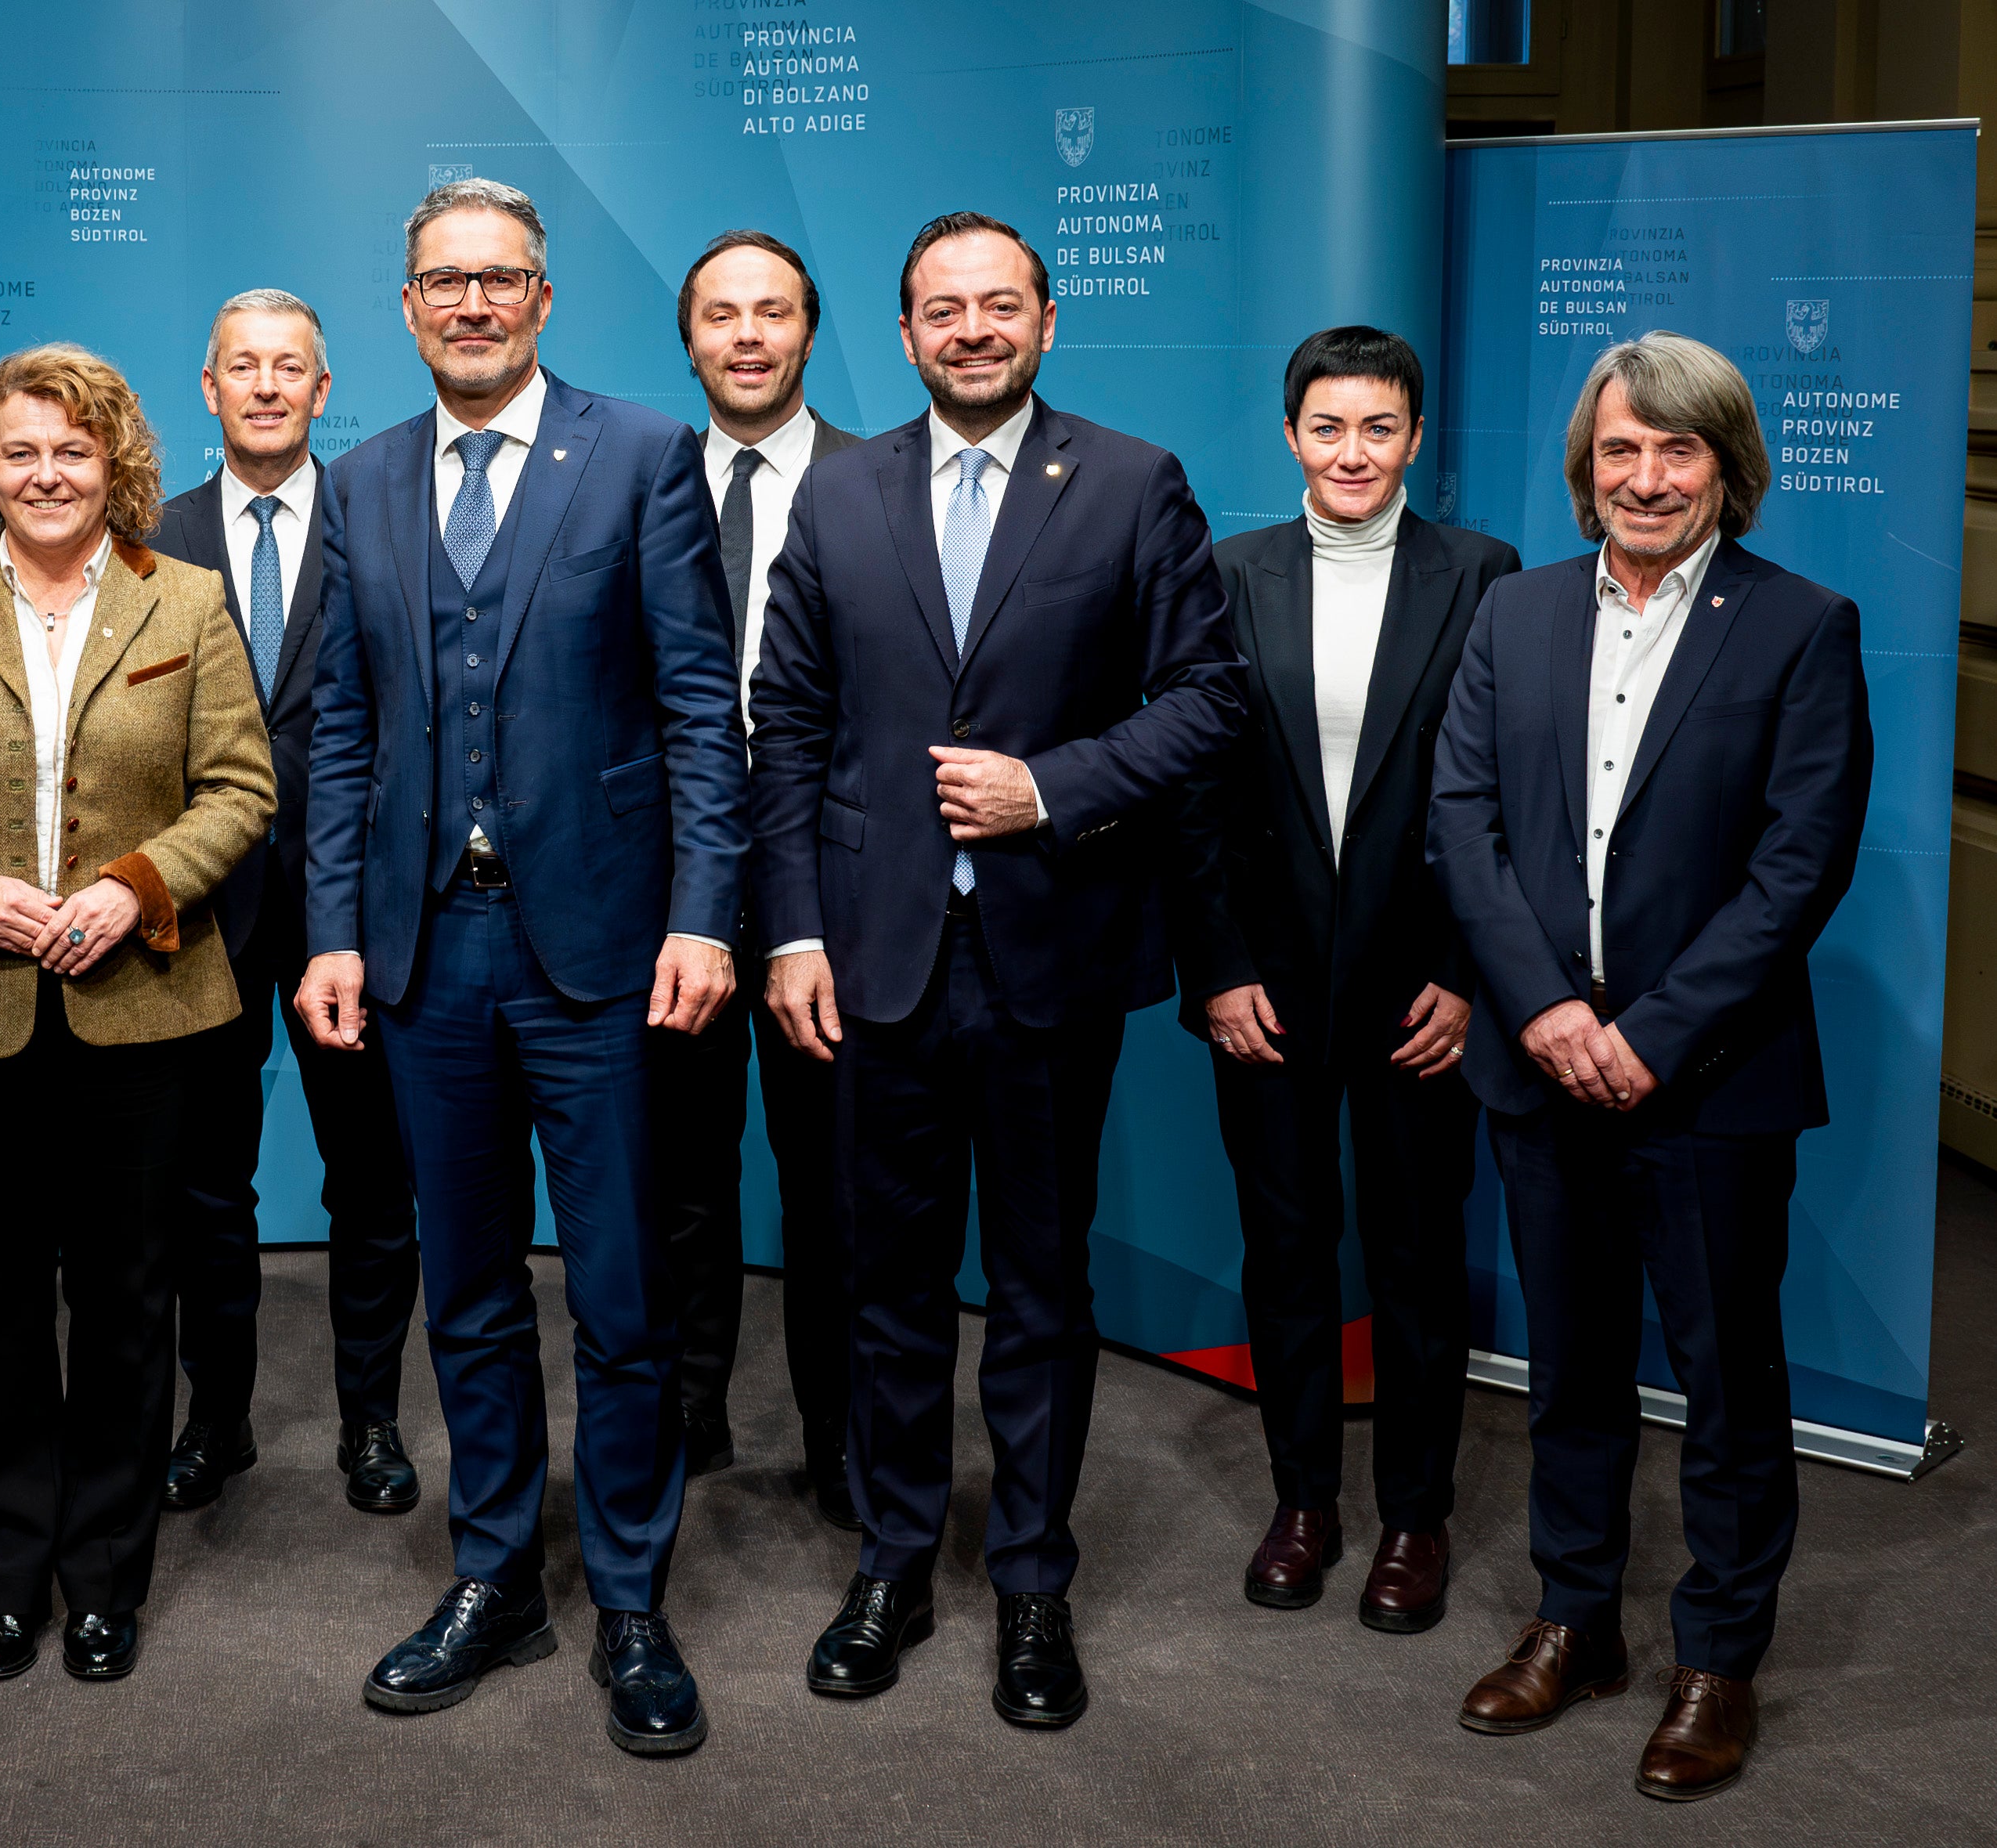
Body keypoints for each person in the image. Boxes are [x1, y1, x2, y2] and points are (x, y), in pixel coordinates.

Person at [746, 211, 1239, 1728]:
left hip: (1047, 956)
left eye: (999, 305)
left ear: (1045, 322)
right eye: (942, 309)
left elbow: (1210, 697)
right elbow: (787, 722)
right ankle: (894, 1562)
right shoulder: (840, 492)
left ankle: (1031, 1578)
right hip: (874, 959)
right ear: (902, 335)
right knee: (887, 1285)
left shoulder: (1132, 483)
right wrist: (794, 930)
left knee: (1038, 1288)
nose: (972, 329)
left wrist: (1053, 785)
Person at [296, 177, 746, 1757]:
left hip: (603, 951)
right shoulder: (360, 481)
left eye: (500, 279)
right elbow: (340, 727)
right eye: (445, 281)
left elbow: (699, 710)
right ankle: (496, 1576)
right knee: (472, 1291)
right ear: (407, 307)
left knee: (619, 1296)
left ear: (543, 300)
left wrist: (705, 913)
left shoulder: (640, 454)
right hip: (429, 952)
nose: (473, 303)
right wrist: (334, 928)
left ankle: (628, 1595)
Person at [1429, 331, 1869, 1801]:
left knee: (1728, 1383)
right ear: (1587, 467)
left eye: (1679, 449)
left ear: (1727, 467)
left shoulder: (1800, 626)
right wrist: (1549, 1014)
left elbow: (1800, 866)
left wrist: (1652, 1034)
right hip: (1541, 1066)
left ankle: (1715, 1662)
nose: (1648, 476)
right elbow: (1464, 822)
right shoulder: (1517, 611)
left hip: (1713, 1082)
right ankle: (1577, 1620)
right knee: (1570, 1367)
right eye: (1621, 448)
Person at [0, 342, 273, 1684]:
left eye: (71, 451)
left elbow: (241, 790)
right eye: (18, 451)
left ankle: (104, 1578)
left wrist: (137, 887)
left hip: (142, 1013)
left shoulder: (187, 601)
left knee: (130, 1304)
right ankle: (6, 1578)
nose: (45, 474)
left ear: (113, 462)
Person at [1168, 327, 1519, 1630]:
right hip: (1264, 993)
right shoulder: (1226, 576)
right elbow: (1194, 795)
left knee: (1418, 1262)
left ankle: (1415, 1518)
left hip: (1421, 995)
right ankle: (1304, 1502)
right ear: (1291, 437)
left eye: (1379, 428)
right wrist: (1216, 969)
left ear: (1415, 438)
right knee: (1287, 1249)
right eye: (1328, 427)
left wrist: (1468, 976)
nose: (1353, 452)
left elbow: (1505, 793)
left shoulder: (1483, 574)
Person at [152, 288, 423, 1518]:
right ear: (209, 389)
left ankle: (372, 1419)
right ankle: (217, 1417)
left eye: (289, 367)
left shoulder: (386, 520)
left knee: (371, 1177)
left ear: (323, 390)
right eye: (243, 367)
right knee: (205, 1186)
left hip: (352, 913)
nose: (266, 387)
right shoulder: (150, 537)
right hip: (199, 910)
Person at [650, 229, 864, 1519]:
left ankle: (840, 1437)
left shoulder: (876, 484)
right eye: (721, 314)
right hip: (667, 891)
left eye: (772, 312)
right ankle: (690, 1412)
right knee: (680, 1177)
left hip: (826, 899)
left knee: (834, 1185)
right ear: (689, 339)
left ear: (808, 332)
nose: (746, 336)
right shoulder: (635, 481)